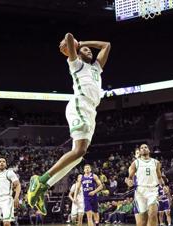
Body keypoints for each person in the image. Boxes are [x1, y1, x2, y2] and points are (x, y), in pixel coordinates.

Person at [27, 32, 111, 214]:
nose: (89, 51)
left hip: (91, 111)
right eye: (85, 50)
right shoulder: (76, 64)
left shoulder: (96, 67)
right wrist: (77, 44)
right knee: (80, 150)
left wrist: (84, 43)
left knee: (78, 156)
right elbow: (69, 36)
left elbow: (106, 45)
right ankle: (40, 180)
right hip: (79, 104)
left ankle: (43, 187)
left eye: (90, 50)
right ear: (78, 54)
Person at [126, 144, 164, 226]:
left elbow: (159, 177)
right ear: (139, 151)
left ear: (149, 150)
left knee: (153, 214)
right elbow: (129, 178)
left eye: (145, 147)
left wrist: (164, 186)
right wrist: (129, 182)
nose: (143, 149)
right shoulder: (135, 163)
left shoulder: (156, 162)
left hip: (153, 191)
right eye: (141, 148)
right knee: (143, 221)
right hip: (140, 192)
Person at [0, 157, 21, 226]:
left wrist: (16, 197)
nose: (2, 163)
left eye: (3, 161)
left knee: (6, 224)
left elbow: (18, 185)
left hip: (6, 200)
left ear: (6, 164)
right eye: (0, 161)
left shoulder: (9, 173)